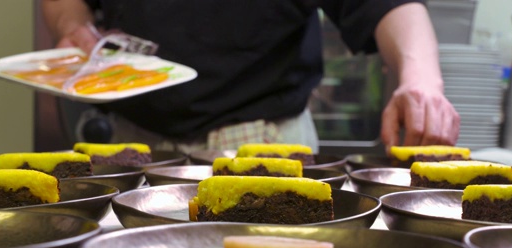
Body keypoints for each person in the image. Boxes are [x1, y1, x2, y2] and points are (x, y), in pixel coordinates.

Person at [41, 0, 460, 154]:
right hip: (135, 143)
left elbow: (392, 5)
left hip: (264, 143)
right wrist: (71, 24)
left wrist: (421, 79)